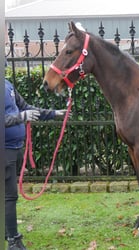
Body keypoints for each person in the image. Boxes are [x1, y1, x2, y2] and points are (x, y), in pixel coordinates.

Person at [5, 78, 68, 250]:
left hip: (15, 148)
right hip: (5, 150)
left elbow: (26, 107)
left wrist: (53, 113)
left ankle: (6, 229)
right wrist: (21, 117)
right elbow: (20, 114)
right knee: (9, 196)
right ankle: (13, 241)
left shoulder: (7, 84)